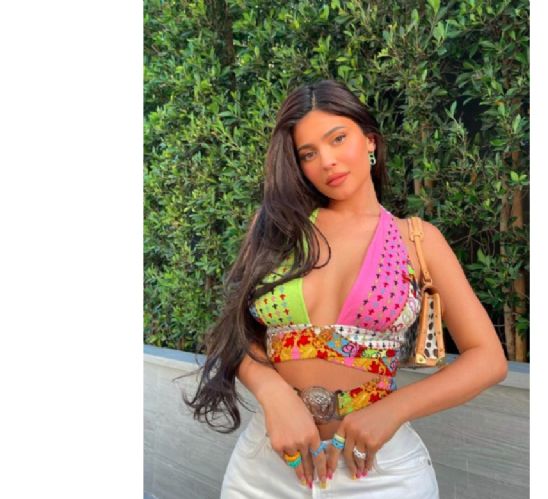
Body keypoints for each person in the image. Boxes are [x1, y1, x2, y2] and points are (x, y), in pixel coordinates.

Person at [185, 79, 507, 498]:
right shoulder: (276, 229)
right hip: (267, 467)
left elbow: (488, 359)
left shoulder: (417, 240)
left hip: (379, 473)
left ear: (370, 140)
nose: (328, 161)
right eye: (308, 153)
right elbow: (237, 333)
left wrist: (393, 410)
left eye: (338, 139)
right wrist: (272, 392)